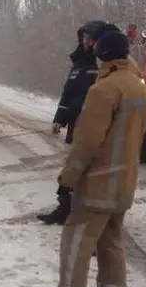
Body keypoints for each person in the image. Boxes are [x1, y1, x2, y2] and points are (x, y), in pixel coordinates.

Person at [38, 24, 146, 287]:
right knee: (110, 236)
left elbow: (86, 143)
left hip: (100, 181)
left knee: (77, 234)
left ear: (103, 56)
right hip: (125, 180)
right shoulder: (140, 87)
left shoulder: (103, 90)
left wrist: (68, 178)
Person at [36, 21, 105, 225]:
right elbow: (69, 93)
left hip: (93, 129)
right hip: (76, 126)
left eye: (87, 38)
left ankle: (88, 217)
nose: (83, 41)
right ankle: (65, 207)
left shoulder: (101, 65)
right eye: (82, 38)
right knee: (71, 167)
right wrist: (59, 119)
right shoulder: (79, 64)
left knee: (88, 172)